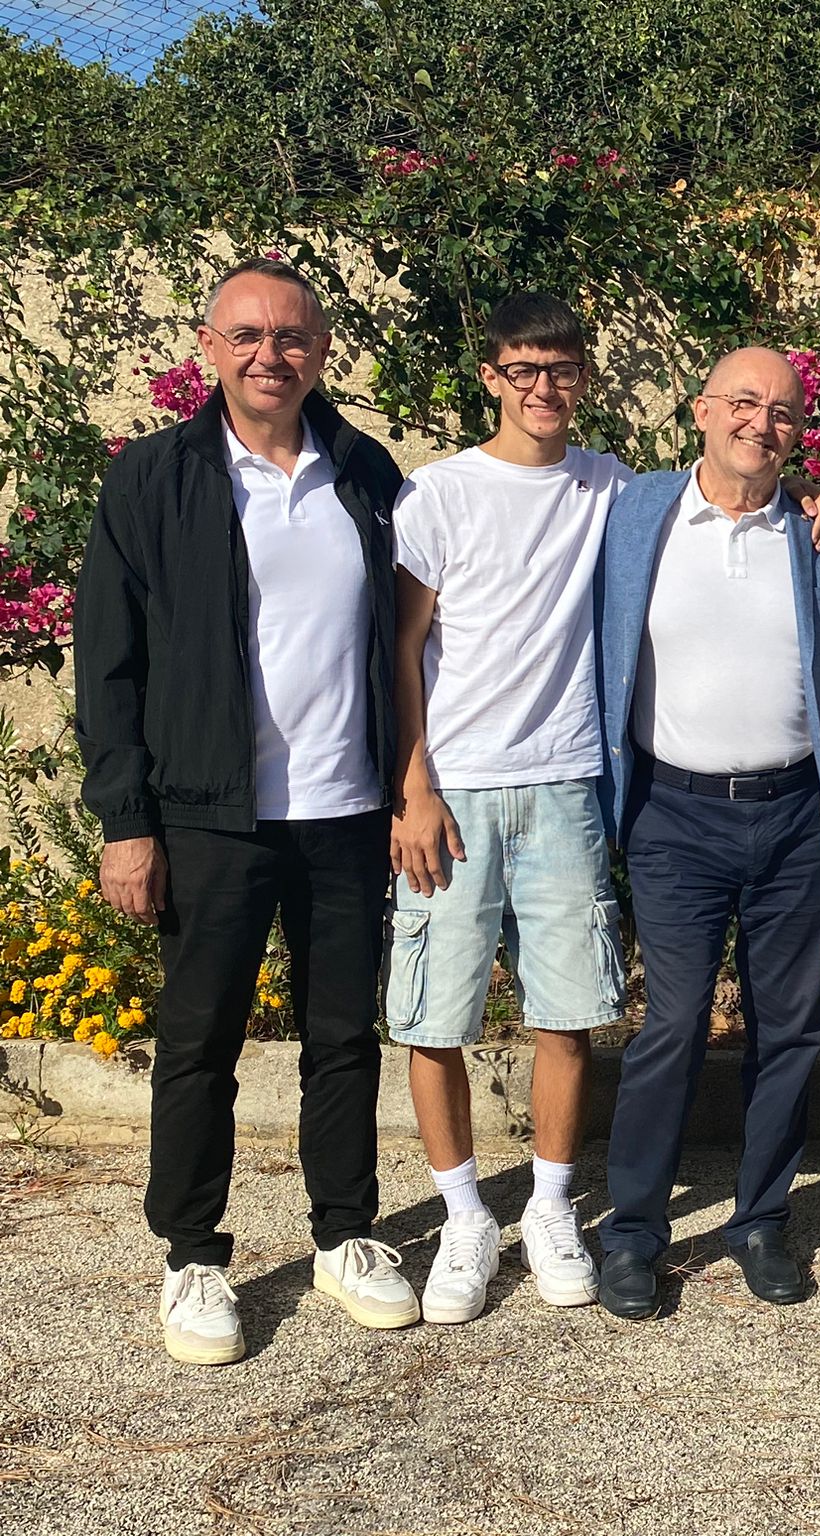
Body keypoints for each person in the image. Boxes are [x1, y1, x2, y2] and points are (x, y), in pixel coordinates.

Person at [76, 256, 419, 1364]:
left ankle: (345, 1235)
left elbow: (418, 626)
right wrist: (127, 821)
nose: (272, 355)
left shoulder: (364, 471)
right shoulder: (155, 477)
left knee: (342, 1038)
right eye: (249, 336)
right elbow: (109, 663)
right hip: (209, 814)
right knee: (199, 1042)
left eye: (293, 337)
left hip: (345, 809)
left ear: (321, 351)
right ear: (210, 349)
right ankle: (192, 1256)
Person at [594, 347, 820, 1316]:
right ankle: (632, 1231)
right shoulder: (635, 513)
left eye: (784, 412)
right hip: (672, 816)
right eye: (744, 403)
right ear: (701, 410)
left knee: (789, 1030)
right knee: (671, 1025)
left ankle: (760, 1220)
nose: (762, 423)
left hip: (794, 817)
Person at [385, 292, 632, 1324]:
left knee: (567, 1014)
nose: (543, 388)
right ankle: (463, 1220)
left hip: (566, 785)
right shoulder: (438, 494)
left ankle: (550, 1208)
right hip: (453, 794)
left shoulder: (609, 486)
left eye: (561, 369)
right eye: (523, 369)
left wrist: (806, 495)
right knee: (433, 1019)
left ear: (583, 378)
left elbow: (718, 499)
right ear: (490, 377)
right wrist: (413, 788)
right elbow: (400, 648)